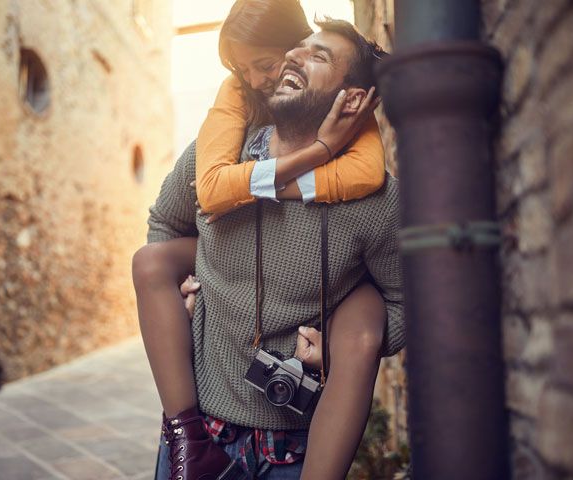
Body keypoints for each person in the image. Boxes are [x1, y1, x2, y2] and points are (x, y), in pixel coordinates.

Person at [138, 16, 404, 479]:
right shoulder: (218, 157)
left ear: (353, 99)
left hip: (300, 444)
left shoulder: (377, 199)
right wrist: (183, 291)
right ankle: (183, 435)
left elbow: (406, 302)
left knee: (367, 311)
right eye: (298, 47)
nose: (294, 56)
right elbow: (164, 222)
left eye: (318, 55)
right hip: (203, 433)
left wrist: (340, 351)